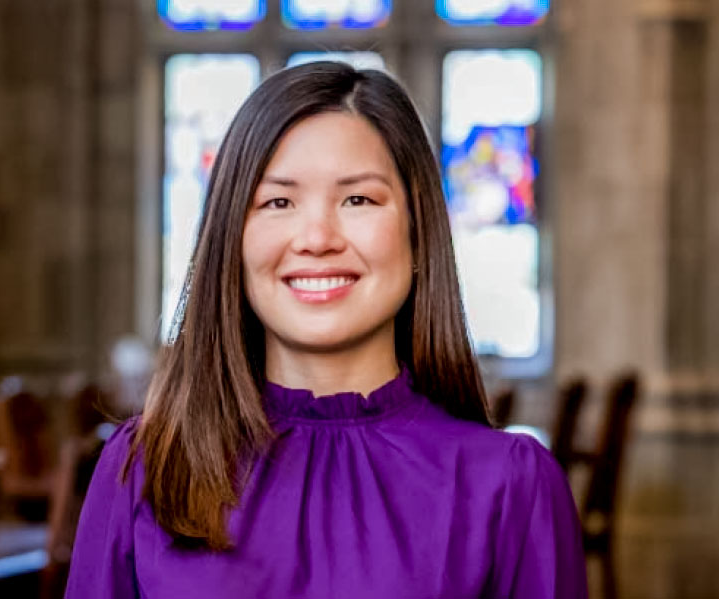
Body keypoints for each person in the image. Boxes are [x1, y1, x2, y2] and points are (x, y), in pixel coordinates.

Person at [66, 61, 587, 598]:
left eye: (358, 199)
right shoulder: (145, 472)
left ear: (418, 233)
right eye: (278, 202)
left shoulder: (510, 488)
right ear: (232, 245)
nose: (316, 238)